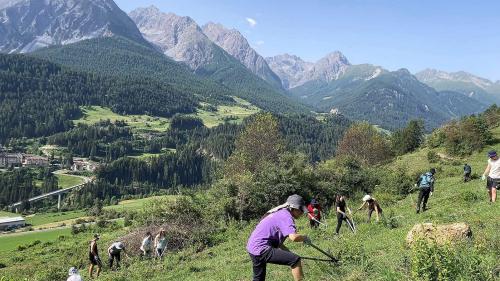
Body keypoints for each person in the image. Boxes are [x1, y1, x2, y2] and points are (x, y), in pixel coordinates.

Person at [246, 194, 311, 281]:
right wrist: (304, 238)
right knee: (295, 260)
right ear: (293, 208)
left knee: (258, 279)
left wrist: (289, 254)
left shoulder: (280, 213)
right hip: (261, 248)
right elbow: (293, 237)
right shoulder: (286, 216)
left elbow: (279, 244)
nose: (302, 213)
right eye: (300, 210)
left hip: (253, 247)